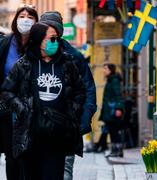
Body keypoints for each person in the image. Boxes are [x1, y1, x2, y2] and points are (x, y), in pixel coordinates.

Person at [1, 21, 86, 179]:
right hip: (31, 134)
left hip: (58, 134)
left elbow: (80, 90)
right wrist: (23, 110)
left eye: (57, 39)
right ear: (39, 40)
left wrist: (71, 111)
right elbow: (6, 91)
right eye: (51, 38)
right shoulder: (24, 64)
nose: (56, 42)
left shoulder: (67, 63)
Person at [40, 11, 97, 180]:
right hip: (39, 127)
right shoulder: (31, 56)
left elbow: (88, 89)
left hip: (67, 126)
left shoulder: (74, 57)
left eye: (53, 30)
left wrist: (85, 118)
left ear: (59, 32)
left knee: (64, 171)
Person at [0, 5, 38, 180]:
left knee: (29, 156)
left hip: (33, 109)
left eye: (30, 17)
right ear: (15, 20)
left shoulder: (40, 44)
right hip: (6, 108)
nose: (25, 20)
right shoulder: (6, 43)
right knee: (11, 155)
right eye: (22, 16)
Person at [99, 63, 125, 157]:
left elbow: (119, 95)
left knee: (114, 131)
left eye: (105, 69)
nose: (104, 71)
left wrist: (119, 108)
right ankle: (115, 150)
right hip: (109, 111)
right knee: (111, 131)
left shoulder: (114, 80)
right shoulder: (110, 80)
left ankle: (117, 151)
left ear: (110, 70)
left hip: (113, 111)